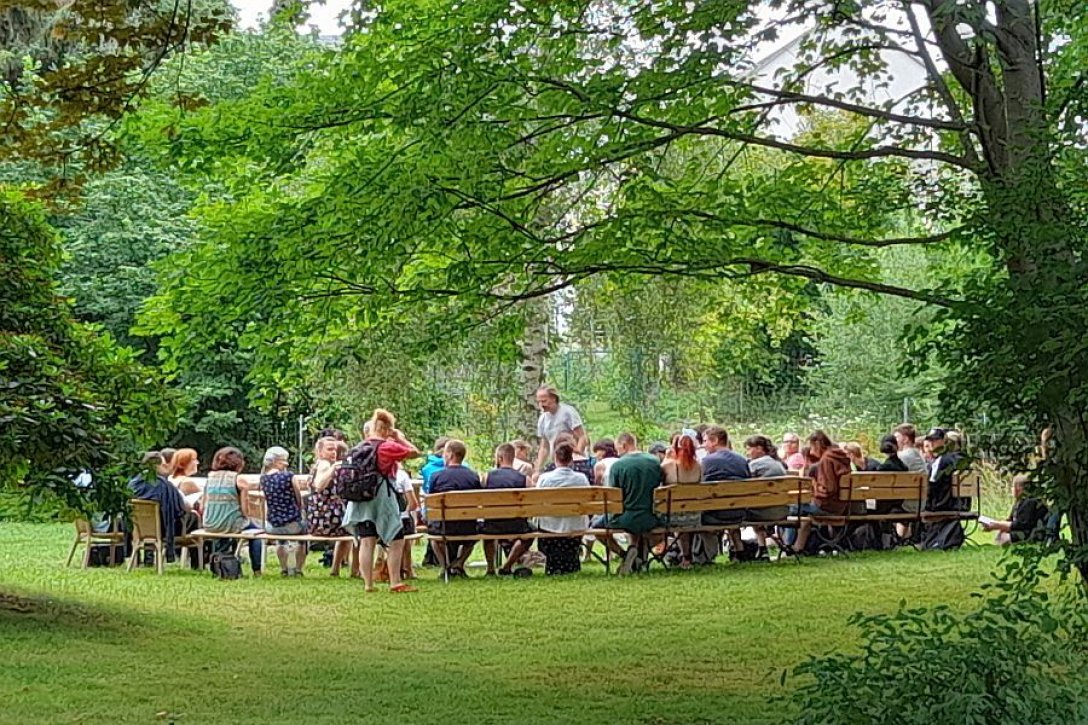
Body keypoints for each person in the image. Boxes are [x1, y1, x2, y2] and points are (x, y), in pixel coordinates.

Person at [340, 410, 420, 592]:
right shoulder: (387, 446)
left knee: (367, 541)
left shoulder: (358, 447)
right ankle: (395, 582)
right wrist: (399, 438)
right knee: (396, 539)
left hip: (359, 499)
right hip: (381, 497)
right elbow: (415, 453)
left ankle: (368, 584)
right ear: (386, 429)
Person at [594, 432, 664, 574]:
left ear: (624, 445)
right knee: (640, 522)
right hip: (651, 517)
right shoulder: (655, 462)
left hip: (624, 518)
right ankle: (638, 555)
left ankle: (625, 554)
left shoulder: (618, 466)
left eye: (618, 448)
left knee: (596, 527)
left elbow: (615, 497)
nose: (617, 452)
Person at [201, 446, 263, 576]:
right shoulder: (239, 479)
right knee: (256, 534)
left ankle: (220, 565)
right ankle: (257, 570)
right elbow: (244, 510)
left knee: (222, 531)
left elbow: (202, 506)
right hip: (230, 524)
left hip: (209, 523)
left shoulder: (210, 478)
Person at [427, 438, 483, 578]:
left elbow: (431, 501)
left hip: (444, 526)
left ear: (451, 455)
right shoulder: (473, 476)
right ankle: (458, 563)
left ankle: (445, 566)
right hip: (468, 526)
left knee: (434, 539)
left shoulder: (436, 476)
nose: (443, 456)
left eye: (445, 453)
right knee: (474, 536)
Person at [129, 450, 199, 563]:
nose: (166, 467)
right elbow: (181, 507)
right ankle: (196, 562)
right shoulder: (164, 486)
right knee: (194, 517)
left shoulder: (133, 484)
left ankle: (147, 559)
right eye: (163, 465)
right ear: (156, 466)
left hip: (138, 527)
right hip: (165, 528)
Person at [788, 431, 851, 554]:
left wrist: (814, 488)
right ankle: (798, 547)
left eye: (811, 447)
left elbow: (828, 489)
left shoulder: (826, 460)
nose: (811, 452)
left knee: (792, 508)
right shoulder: (841, 457)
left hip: (827, 507)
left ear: (817, 444)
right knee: (804, 516)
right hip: (842, 506)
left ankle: (787, 546)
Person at [535, 441, 591, 575]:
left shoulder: (544, 478)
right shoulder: (581, 479)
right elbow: (588, 502)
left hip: (550, 526)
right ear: (572, 460)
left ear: (555, 458)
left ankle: (554, 565)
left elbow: (537, 503)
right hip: (575, 524)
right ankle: (571, 563)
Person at [481, 443, 533, 576]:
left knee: (487, 533)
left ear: (499, 458)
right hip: (517, 525)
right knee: (531, 532)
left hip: (492, 525)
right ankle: (507, 565)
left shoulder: (487, 477)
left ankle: (490, 568)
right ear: (513, 457)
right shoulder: (525, 479)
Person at [305, 436, 352, 576]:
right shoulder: (325, 465)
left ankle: (336, 568)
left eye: (335, 450)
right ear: (319, 452)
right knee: (358, 528)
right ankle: (355, 570)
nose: (333, 452)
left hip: (317, 518)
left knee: (351, 526)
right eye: (329, 449)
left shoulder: (318, 465)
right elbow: (319, 485)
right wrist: (334, 468)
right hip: (325, 519)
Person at [261, 446, 307, 577]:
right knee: (303, 537)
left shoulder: (263, 479)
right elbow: (299, 501)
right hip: (293, 526)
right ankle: (298, 569)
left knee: (280, 542)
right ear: (276, 461)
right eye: (284, 460)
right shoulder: (290, 476)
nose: (286, 463)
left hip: (272, 526)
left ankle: (284, 569)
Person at [742, 435, 789, 557]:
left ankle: (760, 548)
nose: (747, 453)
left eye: (748, 449)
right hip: (782, 510)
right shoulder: (779, 464)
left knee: (746, 509)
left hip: (761, 512)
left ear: (759, 448)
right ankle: (764, 547)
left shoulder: (754, 465)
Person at [661, 433, 703, 568]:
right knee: (684, 515)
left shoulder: (668, 466)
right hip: (695, 516)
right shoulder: (699, 466)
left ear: (674, 448)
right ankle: (687, 556)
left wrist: (667, 458)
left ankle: (685, 557)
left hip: (674, 516)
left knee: (676, 517)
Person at [982, 474, 1050, 545]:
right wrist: (997, 524)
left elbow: (1021, 525)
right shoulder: (1020, 501)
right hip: (1024, 531)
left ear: (1018, 488)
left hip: (1033, 534)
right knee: (1001, 533)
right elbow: (1011, 520)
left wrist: (997, 525)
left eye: (1012, 486)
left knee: (1004, 537)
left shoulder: (1030, 502)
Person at [534, 385, 588, 472]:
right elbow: (544, 447)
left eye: (544, 401)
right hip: (557, 462)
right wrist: (538, 468)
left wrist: (577, 457)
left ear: (553, 398)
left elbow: (582, 437)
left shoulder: (568, 412)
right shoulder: (542, 419)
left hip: (573, 461)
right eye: (539, 402)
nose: (541, 405)